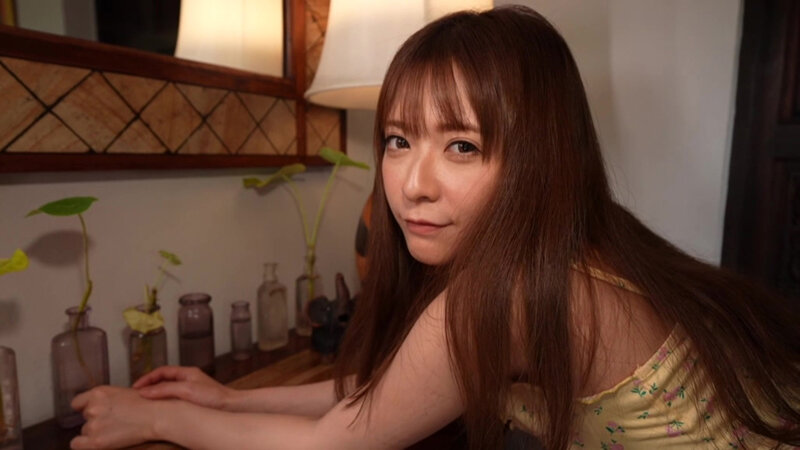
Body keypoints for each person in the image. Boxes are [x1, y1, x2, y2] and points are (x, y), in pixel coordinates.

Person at [71, 5, 800, 449]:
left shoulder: (507, 295)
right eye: (398, 140)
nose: (413, 184)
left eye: (463, 146)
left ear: (539, 157)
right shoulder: (576, 245)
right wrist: (232, 398)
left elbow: (335, 443)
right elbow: (387, 391)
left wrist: (155, 422)